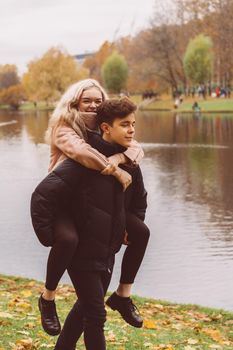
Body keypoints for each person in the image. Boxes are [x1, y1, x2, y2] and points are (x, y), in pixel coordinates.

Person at [31, 97, 149, 350]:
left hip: (107, 250)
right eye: (125, 125)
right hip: (81, 253)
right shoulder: (83, 163)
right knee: (96, 316)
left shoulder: (130, 163)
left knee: (85, 307)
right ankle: (47, 299)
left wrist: (129, 227)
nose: (132, 130)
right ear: (106, 128)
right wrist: (50, 237)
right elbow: (41, 196)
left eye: (133, 124)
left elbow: (139, 202)